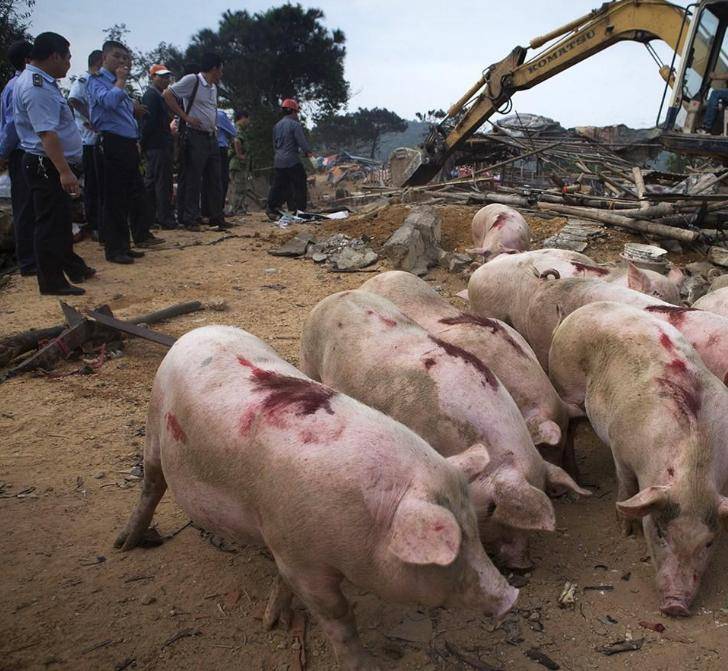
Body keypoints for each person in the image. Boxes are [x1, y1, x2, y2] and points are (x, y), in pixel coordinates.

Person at [13, 32, 95, 295]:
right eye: (68, 57)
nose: (70, 63)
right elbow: (46, 134)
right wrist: (64, 171)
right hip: (45, 164)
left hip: (49, 163)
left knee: (59, 221)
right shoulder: (35, 87)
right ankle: (51, 282)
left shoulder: (43, 82)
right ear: (54, 55)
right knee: (49, 224)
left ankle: (71, 267)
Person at [87, 40, 161, 264]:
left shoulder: (120, 86)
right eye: (117, 56)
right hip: (111, 143)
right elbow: (108, 103)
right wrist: (120, 81)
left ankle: (125, 244)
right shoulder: (96, 81)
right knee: (113, 199)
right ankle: (114, 249)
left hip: (127, 143)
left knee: (131, 195)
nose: (122, 61)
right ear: (104, 57)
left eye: (125, 58)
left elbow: (126, 115)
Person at [164, 52, 226, 230]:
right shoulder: (193, 80)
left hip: (211, 136)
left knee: (215, 178)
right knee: (193, 178)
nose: (222, 74)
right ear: (214, 68)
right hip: (195, 136)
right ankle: (189, 218)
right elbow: (168, 94)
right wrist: (185, 117)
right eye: (221, 70)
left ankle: (216, 216)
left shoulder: (213, 87)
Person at [0, 40, 36, 276]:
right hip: (22, 151)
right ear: (27, 60)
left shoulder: (23, 84)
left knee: (33, 206)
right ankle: (29, 262)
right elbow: (12, 125)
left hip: (26, 151)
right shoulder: (17, 86)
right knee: (25, 207)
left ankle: (36, 257)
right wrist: (2, 153)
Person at [68, 49, 103, 241]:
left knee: (101, 184)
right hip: (88, 139)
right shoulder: (84, 79)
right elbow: (73, 99)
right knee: (93, 185)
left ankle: (101, 223)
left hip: (98, 140)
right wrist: (92, 118)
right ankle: (94, 224)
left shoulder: (99, 81)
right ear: (99, 61)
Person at [141, 64, 175, 229]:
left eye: (167, 76)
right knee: (160, 182)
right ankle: (163, 218)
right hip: (156, 145)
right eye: (161, 76)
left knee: (157, 181)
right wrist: (144, 143)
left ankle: (154, 217)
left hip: (160, 144)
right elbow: (148, 123)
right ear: (152, 77)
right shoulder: (151, 96)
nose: (165, 79)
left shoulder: (159, 96)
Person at [266, 98, 310, 219]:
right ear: (293, 111)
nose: (297, 115)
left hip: (279, 161)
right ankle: (300, 209)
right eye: (297, 112)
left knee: (278, 185)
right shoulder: (295, 125)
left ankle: (271, 207)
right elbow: (302, 143)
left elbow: (274, 144)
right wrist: (307, 152)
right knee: (300, 183)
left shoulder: (276, 126)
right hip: (292, 160)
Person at [201, 108, 235, 219]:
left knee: (207, 180)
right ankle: (217, 210)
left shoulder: (202, 111)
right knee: (221, 180)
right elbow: (233, 132)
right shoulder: (220, 114)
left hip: (204, 147)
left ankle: (205, 210)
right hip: (220, 147)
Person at [227, 109, 251, 215]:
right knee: (239, 187)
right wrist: (240, 154)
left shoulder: (236, 129)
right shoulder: (237, 129)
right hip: (238, 164)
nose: (248, 122)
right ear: (242, 118)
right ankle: (237, 209)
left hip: (237, 163)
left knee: (240, 187)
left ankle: (239, 208)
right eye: (247, 119)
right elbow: (237, 141)